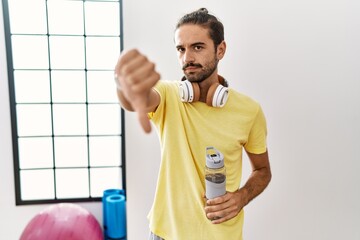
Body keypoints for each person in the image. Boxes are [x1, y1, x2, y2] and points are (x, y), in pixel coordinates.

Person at [114, 8, 272, 240]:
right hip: (166, 233)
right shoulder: (168, 94)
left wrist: (241, 197)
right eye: (181, 49)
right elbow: (138, 98)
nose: (187, 58)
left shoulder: (250, 110)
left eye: (197, 47)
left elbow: (263, 171)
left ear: (221, 49)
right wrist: (123, 84)